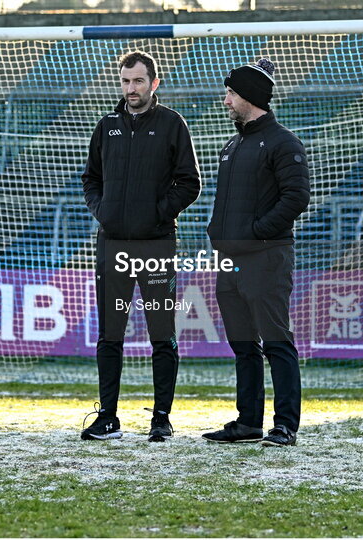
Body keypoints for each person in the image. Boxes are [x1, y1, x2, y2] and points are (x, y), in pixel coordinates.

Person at [80, 51, 201, 442]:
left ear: (154, 82)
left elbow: (190, 182)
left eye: (138, 81)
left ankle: (161, 419)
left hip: (157, 246)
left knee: (161, 334)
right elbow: (90, 180)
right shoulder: (107, 126)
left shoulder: (171, 124)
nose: (131, 88)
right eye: (125, 81)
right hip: (112, 244)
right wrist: (105, 214)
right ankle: (108, 417)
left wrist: (156, 215)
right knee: (109, 335)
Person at [202, 58, 310, 447]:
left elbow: (297, 197)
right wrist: (219, 234)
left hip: (267, 257)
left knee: (276, 342)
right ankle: (248, 423)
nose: (225, 99)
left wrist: (256, 233)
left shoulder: (283, 141)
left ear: (249, 95)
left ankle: (285, 426)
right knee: (243, 345)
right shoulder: (234, 144)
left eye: (231, 92)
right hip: (230, 261)